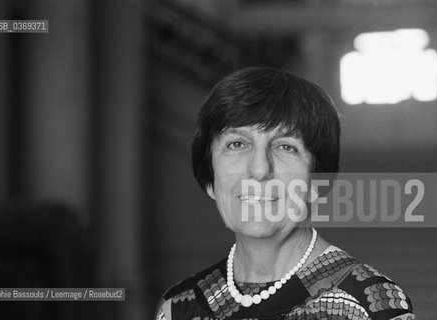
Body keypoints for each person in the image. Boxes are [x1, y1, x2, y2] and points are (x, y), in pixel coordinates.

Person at [155, 67, 415, 320]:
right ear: (211, 179)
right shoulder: (178, 306)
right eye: (237, 144)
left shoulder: (373, 306)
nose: (259, 169)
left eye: (285, 147)